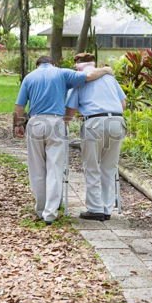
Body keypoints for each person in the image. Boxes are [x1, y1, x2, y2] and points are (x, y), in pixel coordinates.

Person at [13, 55, 113, 225]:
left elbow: (19, 106)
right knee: (54, 167)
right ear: (53, 63)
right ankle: (50, 213)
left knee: (36, 168)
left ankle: (40, 209)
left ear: (37, 65)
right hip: (56, 122)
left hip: (35, 121)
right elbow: (88, 76)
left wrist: (18, 125)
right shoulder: (62, 73)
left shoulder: (29, 77)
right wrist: (105, 70)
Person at [65, 52, 126, 221]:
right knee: (109, 167)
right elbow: (123, 104)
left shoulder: (80, 79)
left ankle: (95, 208)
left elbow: (70, 109)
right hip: (116, 121)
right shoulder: (109, 78)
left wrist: (64, 124)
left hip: (94, 123)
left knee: (92, 165)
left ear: (77, 64)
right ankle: (107, 208)